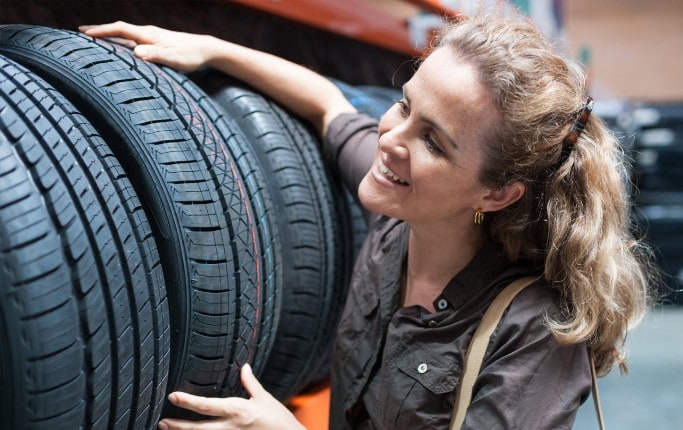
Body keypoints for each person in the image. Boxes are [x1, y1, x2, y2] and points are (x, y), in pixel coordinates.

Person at [82, 14, 654, 430]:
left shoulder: (535, 332)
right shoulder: (399, 220)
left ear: (498, 191)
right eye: (406, 105)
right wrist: (210, 48)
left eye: (433, 141)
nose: (389, 137)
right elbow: (329, 104)